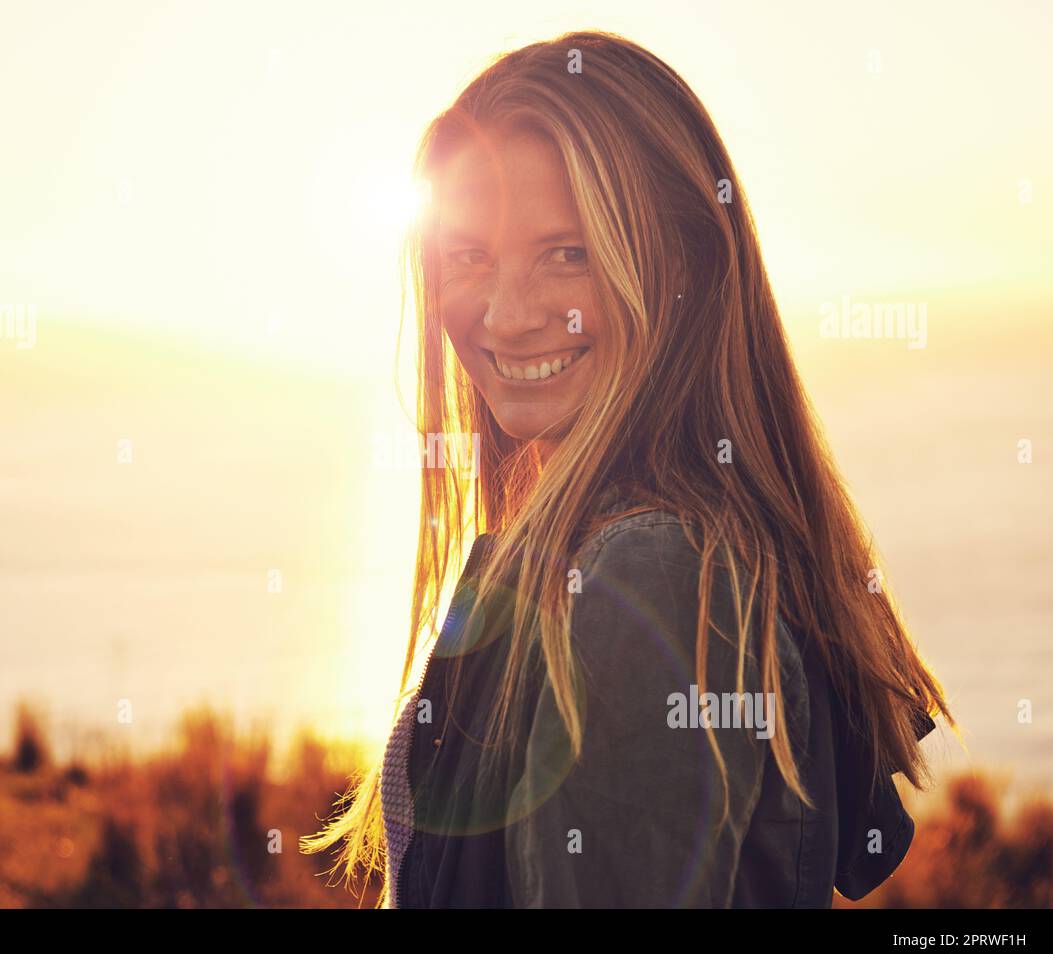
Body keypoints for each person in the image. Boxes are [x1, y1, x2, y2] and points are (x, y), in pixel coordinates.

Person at [302, 29, 954, 908]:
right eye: (470, 257)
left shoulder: (648, 577)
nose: (506, 313)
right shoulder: (608, 552)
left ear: (679, 263)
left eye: (567, 252)